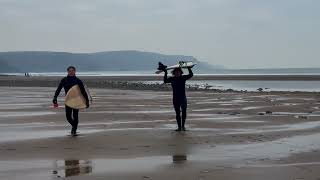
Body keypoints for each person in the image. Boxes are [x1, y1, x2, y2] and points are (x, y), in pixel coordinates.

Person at [53, 66, 89, 136]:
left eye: (72, 70)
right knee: (68, 116)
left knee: (75, 116)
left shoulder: (78, 81)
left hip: (76, 100)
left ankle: (74, 130)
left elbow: (83, 92)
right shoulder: (64, 80)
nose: (71, 72)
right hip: (68, 100)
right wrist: (55, 98)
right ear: (67, 72)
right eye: (70, 71)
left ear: (75, 71)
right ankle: (74, 126)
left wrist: (87, 101)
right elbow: (59, 89)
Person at [164, 66, 193, 131]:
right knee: (177, 113)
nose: (177, 73)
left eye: (179, 72)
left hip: (183, 98)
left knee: (184, 112)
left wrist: (189, 68)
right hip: (175, 98)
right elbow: (165, 80)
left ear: (181, 73)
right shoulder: (172, 79)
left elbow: (191, 75)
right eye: (176, 72)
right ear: (174, 73)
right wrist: (165, 72)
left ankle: (183, 126)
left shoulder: (183, 78)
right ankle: (179, 127)